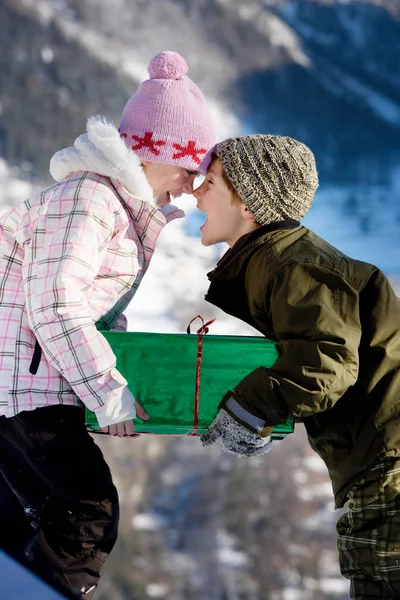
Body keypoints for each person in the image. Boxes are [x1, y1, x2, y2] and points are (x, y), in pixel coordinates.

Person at [0, 50, 217, 598]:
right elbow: (54, 304)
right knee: (86, 514)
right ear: (149, 154)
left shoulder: (113, 205)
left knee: (27, 520)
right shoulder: (89, 199)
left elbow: (82, 303)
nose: (191, 187)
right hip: (24, 390)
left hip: (28, 386)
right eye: (188, 168)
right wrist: (107, 390)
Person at [194, 134, 400, 599]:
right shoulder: (281, 258)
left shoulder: (288, 263)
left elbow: (325, 363)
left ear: (248, 202)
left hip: (390, 469)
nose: (195, 191)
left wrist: (248, 410)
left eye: (209, 182)